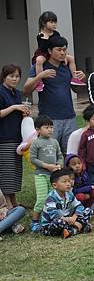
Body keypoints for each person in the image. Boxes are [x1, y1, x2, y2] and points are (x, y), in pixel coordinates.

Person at [23, 35, 85, 153]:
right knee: (49, 155)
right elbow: (26, 91)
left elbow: (77, 90)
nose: (62, 53)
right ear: (50, 51)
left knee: (71, 156)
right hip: (49, 120)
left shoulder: (67, 66)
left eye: (64, 50)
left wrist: (82, 79)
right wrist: (40, 76)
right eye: (59, 50)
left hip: (69, 117)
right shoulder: (40, 66)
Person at [31, 11, 85, 92]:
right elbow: (42, 48)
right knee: (39, 60)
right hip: (44, 53)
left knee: (71, 58)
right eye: (51, 22)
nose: (54, 24)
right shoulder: (41, 35)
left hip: (55, 53)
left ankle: (75, 78)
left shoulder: (56, 33)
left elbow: (60, 44)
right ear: (43, 23)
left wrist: (65, 55)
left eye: (55, 22)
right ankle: (40, 81)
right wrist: (46, 40)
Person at [0, 64, 29, 209]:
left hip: (17, 138)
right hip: (4, 138)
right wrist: (14, 107)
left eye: (17, 76)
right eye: (11, 76)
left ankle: (14, 201)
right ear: (4, 77)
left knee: (15, 171)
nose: (15, 79)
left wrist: (24, 112)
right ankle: (8, 204)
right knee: (6, 172)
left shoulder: (17, 94)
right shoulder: (0, 92)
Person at [29, 115, 63, 232]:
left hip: (53, 176)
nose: (50, 130)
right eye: (46, 127)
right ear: (38, 130)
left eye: (51, 127)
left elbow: (60, 156)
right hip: (41, 175)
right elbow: (32, 159)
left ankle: (47, 220)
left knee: (51, 198)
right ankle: (34, 221)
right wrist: (46, 166)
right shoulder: (36, 143)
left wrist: (59, 165)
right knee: (42, 198)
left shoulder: (54, 142)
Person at [40, 168, 92, 238]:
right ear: (55, 185)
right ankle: (76, 229)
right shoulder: (51, 198)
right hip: (51, 224)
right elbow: (54, 216)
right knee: (58, 222)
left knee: (88, 210)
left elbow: (79, 206)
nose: (68, 184)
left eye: (69, 181)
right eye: (64, 182)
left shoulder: (70, 194)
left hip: (69, 219)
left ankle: (70, 231)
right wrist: (73, 222)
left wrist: (74, 217)